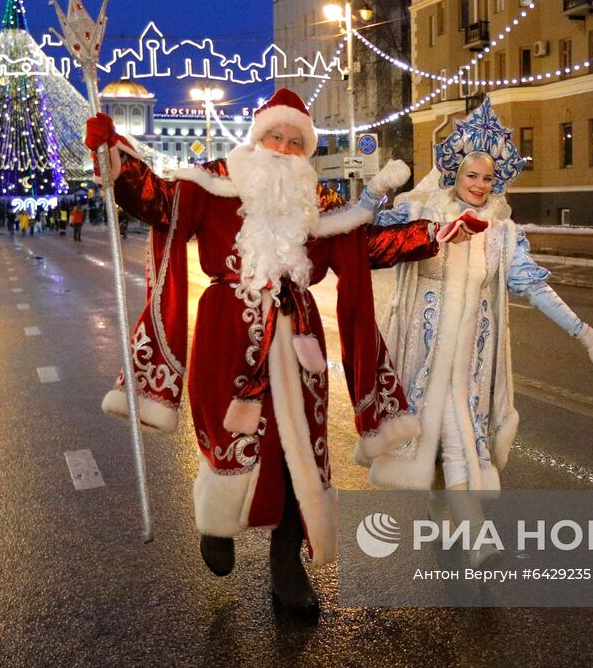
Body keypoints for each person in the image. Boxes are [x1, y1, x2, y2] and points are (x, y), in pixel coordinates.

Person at [86, 87, 446, 614]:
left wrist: (434, 236)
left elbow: (364, 247)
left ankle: (286, 563)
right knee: (228, 433)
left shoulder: (316, 202)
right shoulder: (216, 180)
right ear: (257, 138)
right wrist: (114, 157)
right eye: (274, 136)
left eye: (294, 142)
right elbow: (158, 202)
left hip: (298, 340)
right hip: (226, 333)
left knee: (296, 446)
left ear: (305, 152)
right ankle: (219, 523)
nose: (282, 147)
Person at [362, 97, 593, 494]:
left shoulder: (500, 233)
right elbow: (365, 233)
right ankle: (468, 535)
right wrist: (377, 189)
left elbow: (532, 285)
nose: (479, 185)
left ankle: (459, 532)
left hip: (471, 357)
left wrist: (581, 330)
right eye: (471, 175)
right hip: (424, 355)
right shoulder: (421, 218)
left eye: (487, 178)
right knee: (451, 436)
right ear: (455, 175)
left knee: (457, 436)